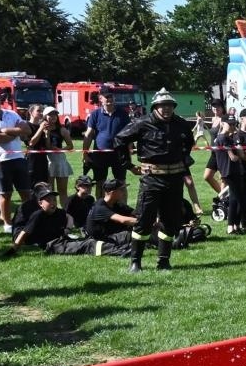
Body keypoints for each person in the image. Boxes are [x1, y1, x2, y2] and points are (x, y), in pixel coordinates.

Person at [115, 88, 201, 272]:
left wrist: (182, 159)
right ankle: (135, 262)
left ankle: (163, 261)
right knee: (144, 221)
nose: (167, 109)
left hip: (175, 179)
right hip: (152, 180)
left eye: (170, 105)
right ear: (155, 106)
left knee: (171, 221)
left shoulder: (181, 124)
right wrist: (129, 166)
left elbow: (189, 142)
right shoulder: (142, 123)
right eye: (163, 105)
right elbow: (120, 140)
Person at [0, 93, 31, 233]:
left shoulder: (12, 113)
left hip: (18, 158)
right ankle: (7, 223)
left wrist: (6, 130)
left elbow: (27, 130)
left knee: (25, 192)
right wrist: (17, 133)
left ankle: (27, 220)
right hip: (2, 160)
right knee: (5, 194)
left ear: (1, 101)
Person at [82, 91, 132, 186]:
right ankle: (100, 201)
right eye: (106, 99)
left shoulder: (123, 114)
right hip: (100, 154)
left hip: (119, 153)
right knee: (100, 183)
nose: (109, 101)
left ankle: (122, 201)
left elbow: (128, 133)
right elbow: (88, 135)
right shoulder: (95, 114)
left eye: (111, 99)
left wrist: (128, 153)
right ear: (101, 99)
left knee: (121, 183)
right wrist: (85, 154)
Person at [6, 183, 70, 254]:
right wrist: (14, 249)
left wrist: (67, 229)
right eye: (46, 191)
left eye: (54, 199)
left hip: (37, 233)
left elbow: (68, 217)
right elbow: (25, 231)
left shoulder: (49, 206)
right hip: (23, 235)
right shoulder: (28, 207)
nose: (52, 201)